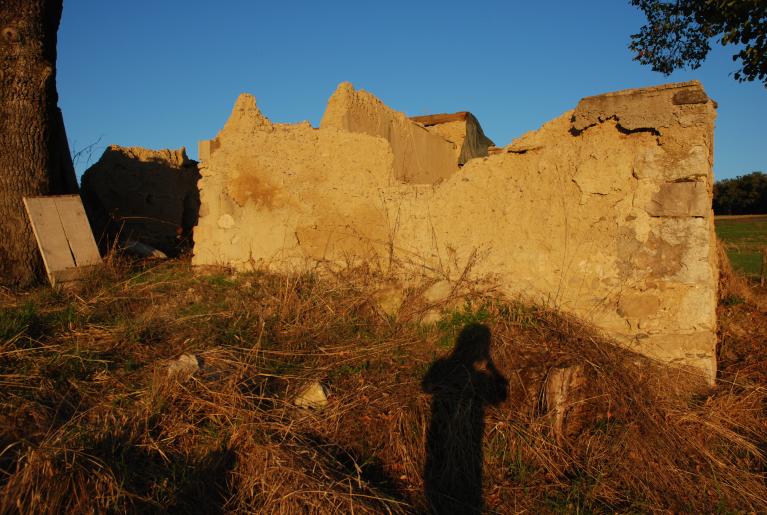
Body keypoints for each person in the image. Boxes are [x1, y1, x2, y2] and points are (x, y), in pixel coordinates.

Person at [421, 323, 508, 514]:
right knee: (463, 470)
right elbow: (500, 397)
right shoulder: (477, 374)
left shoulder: (443, 365)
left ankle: (443, 497)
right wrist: (492, 368)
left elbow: (426, 386)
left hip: (445, 431)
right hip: (466, 434)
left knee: (443, 467)